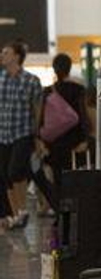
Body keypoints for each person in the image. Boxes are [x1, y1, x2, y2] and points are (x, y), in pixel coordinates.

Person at [0, 40, 43, 230]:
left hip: (22, 132)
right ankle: (18, 213)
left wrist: (37, 134)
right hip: (3, 133)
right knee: (6, 176)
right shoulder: (1, 79)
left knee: (15, 171)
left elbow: (37, 109)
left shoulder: (31, 80)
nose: (2, 56)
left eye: (6, 53)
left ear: (16, 56)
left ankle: (23, 208)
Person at [40, 53, 91, 206]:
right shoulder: (79, 89)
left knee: (57, 179)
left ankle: (60, 213)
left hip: (54, 143)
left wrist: (41, 140)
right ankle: (75, 209)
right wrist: (86, 138)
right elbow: (84, 116)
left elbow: (41, 118)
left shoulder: (48, 91)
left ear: (54, 69)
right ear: (69, 68)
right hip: (75, 141)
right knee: (74, 177)